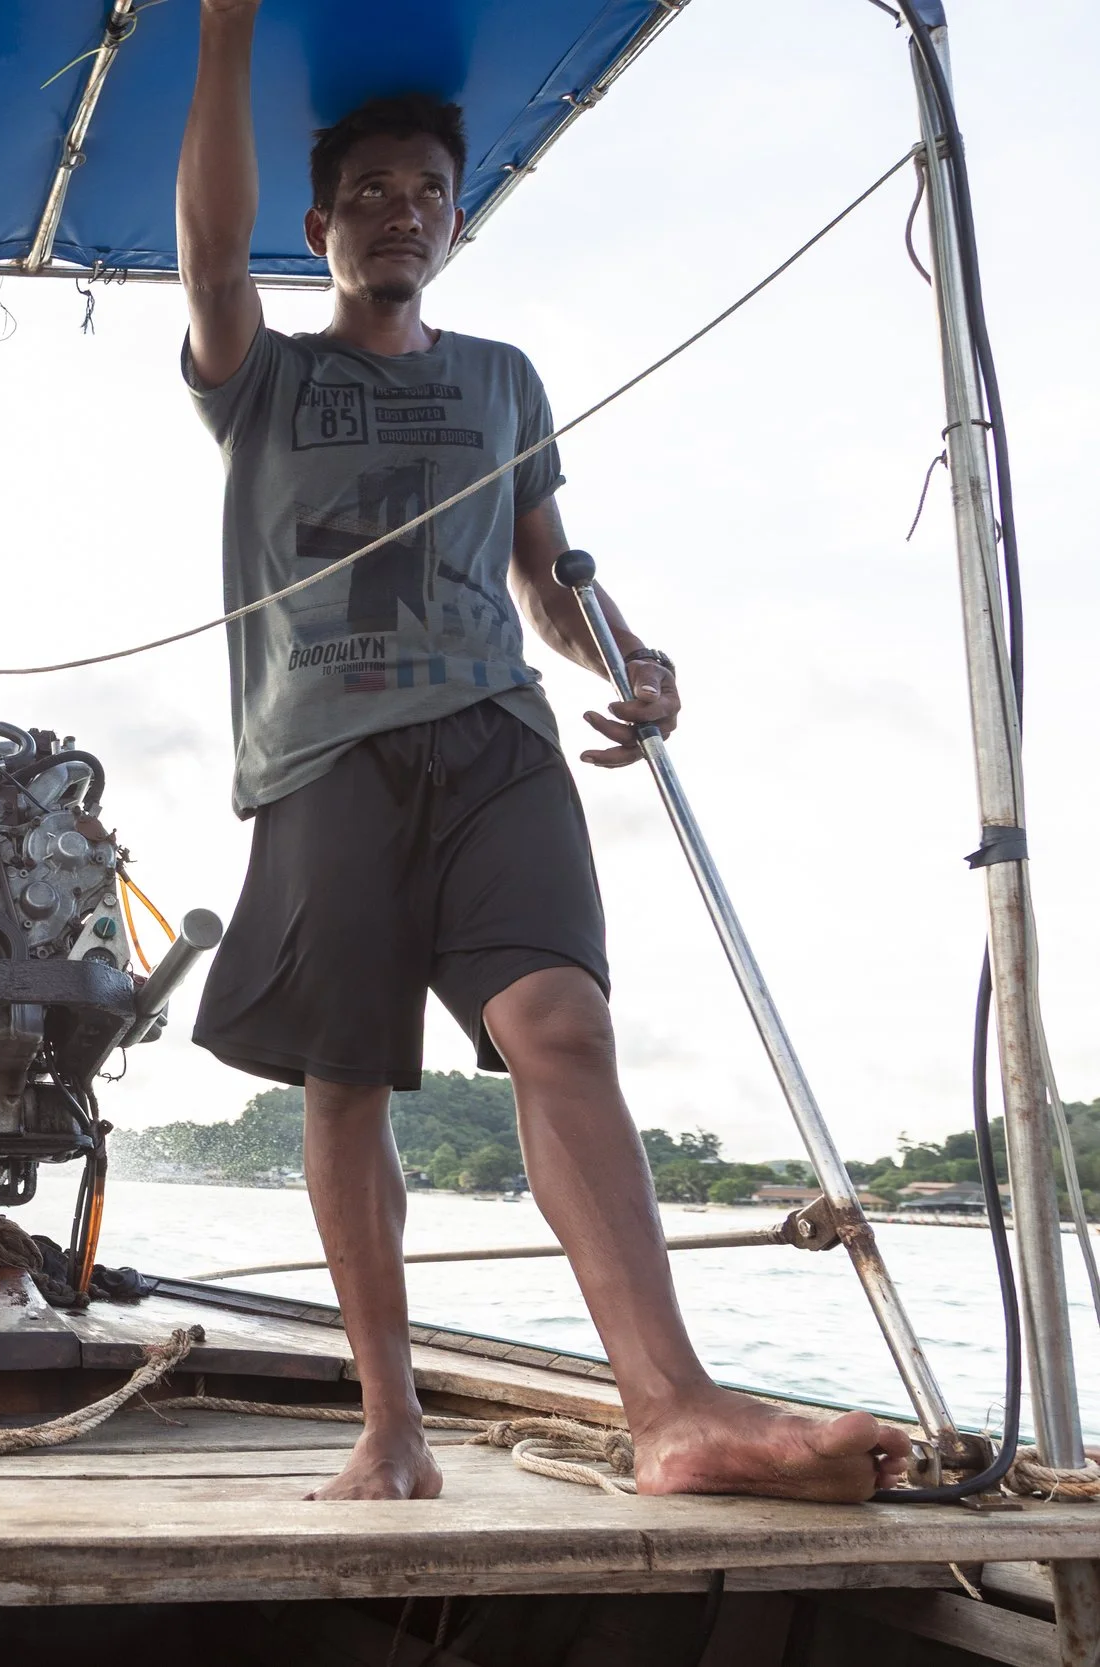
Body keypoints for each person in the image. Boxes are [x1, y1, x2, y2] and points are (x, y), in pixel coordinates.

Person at [176, 0, 909, 1502]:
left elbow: (546, 572)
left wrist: (629, 658)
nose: (400, 214)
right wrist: (226, 27)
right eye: (369, 195)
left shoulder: (504, 379)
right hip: (326, 752)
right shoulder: (266, 375)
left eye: (427, 195)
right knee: (346, 1080)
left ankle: (674, 1407)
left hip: (494, 739)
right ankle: (391, 1427)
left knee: (562, 1023)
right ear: (318, 225)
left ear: (456, 224)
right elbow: (207, 246)